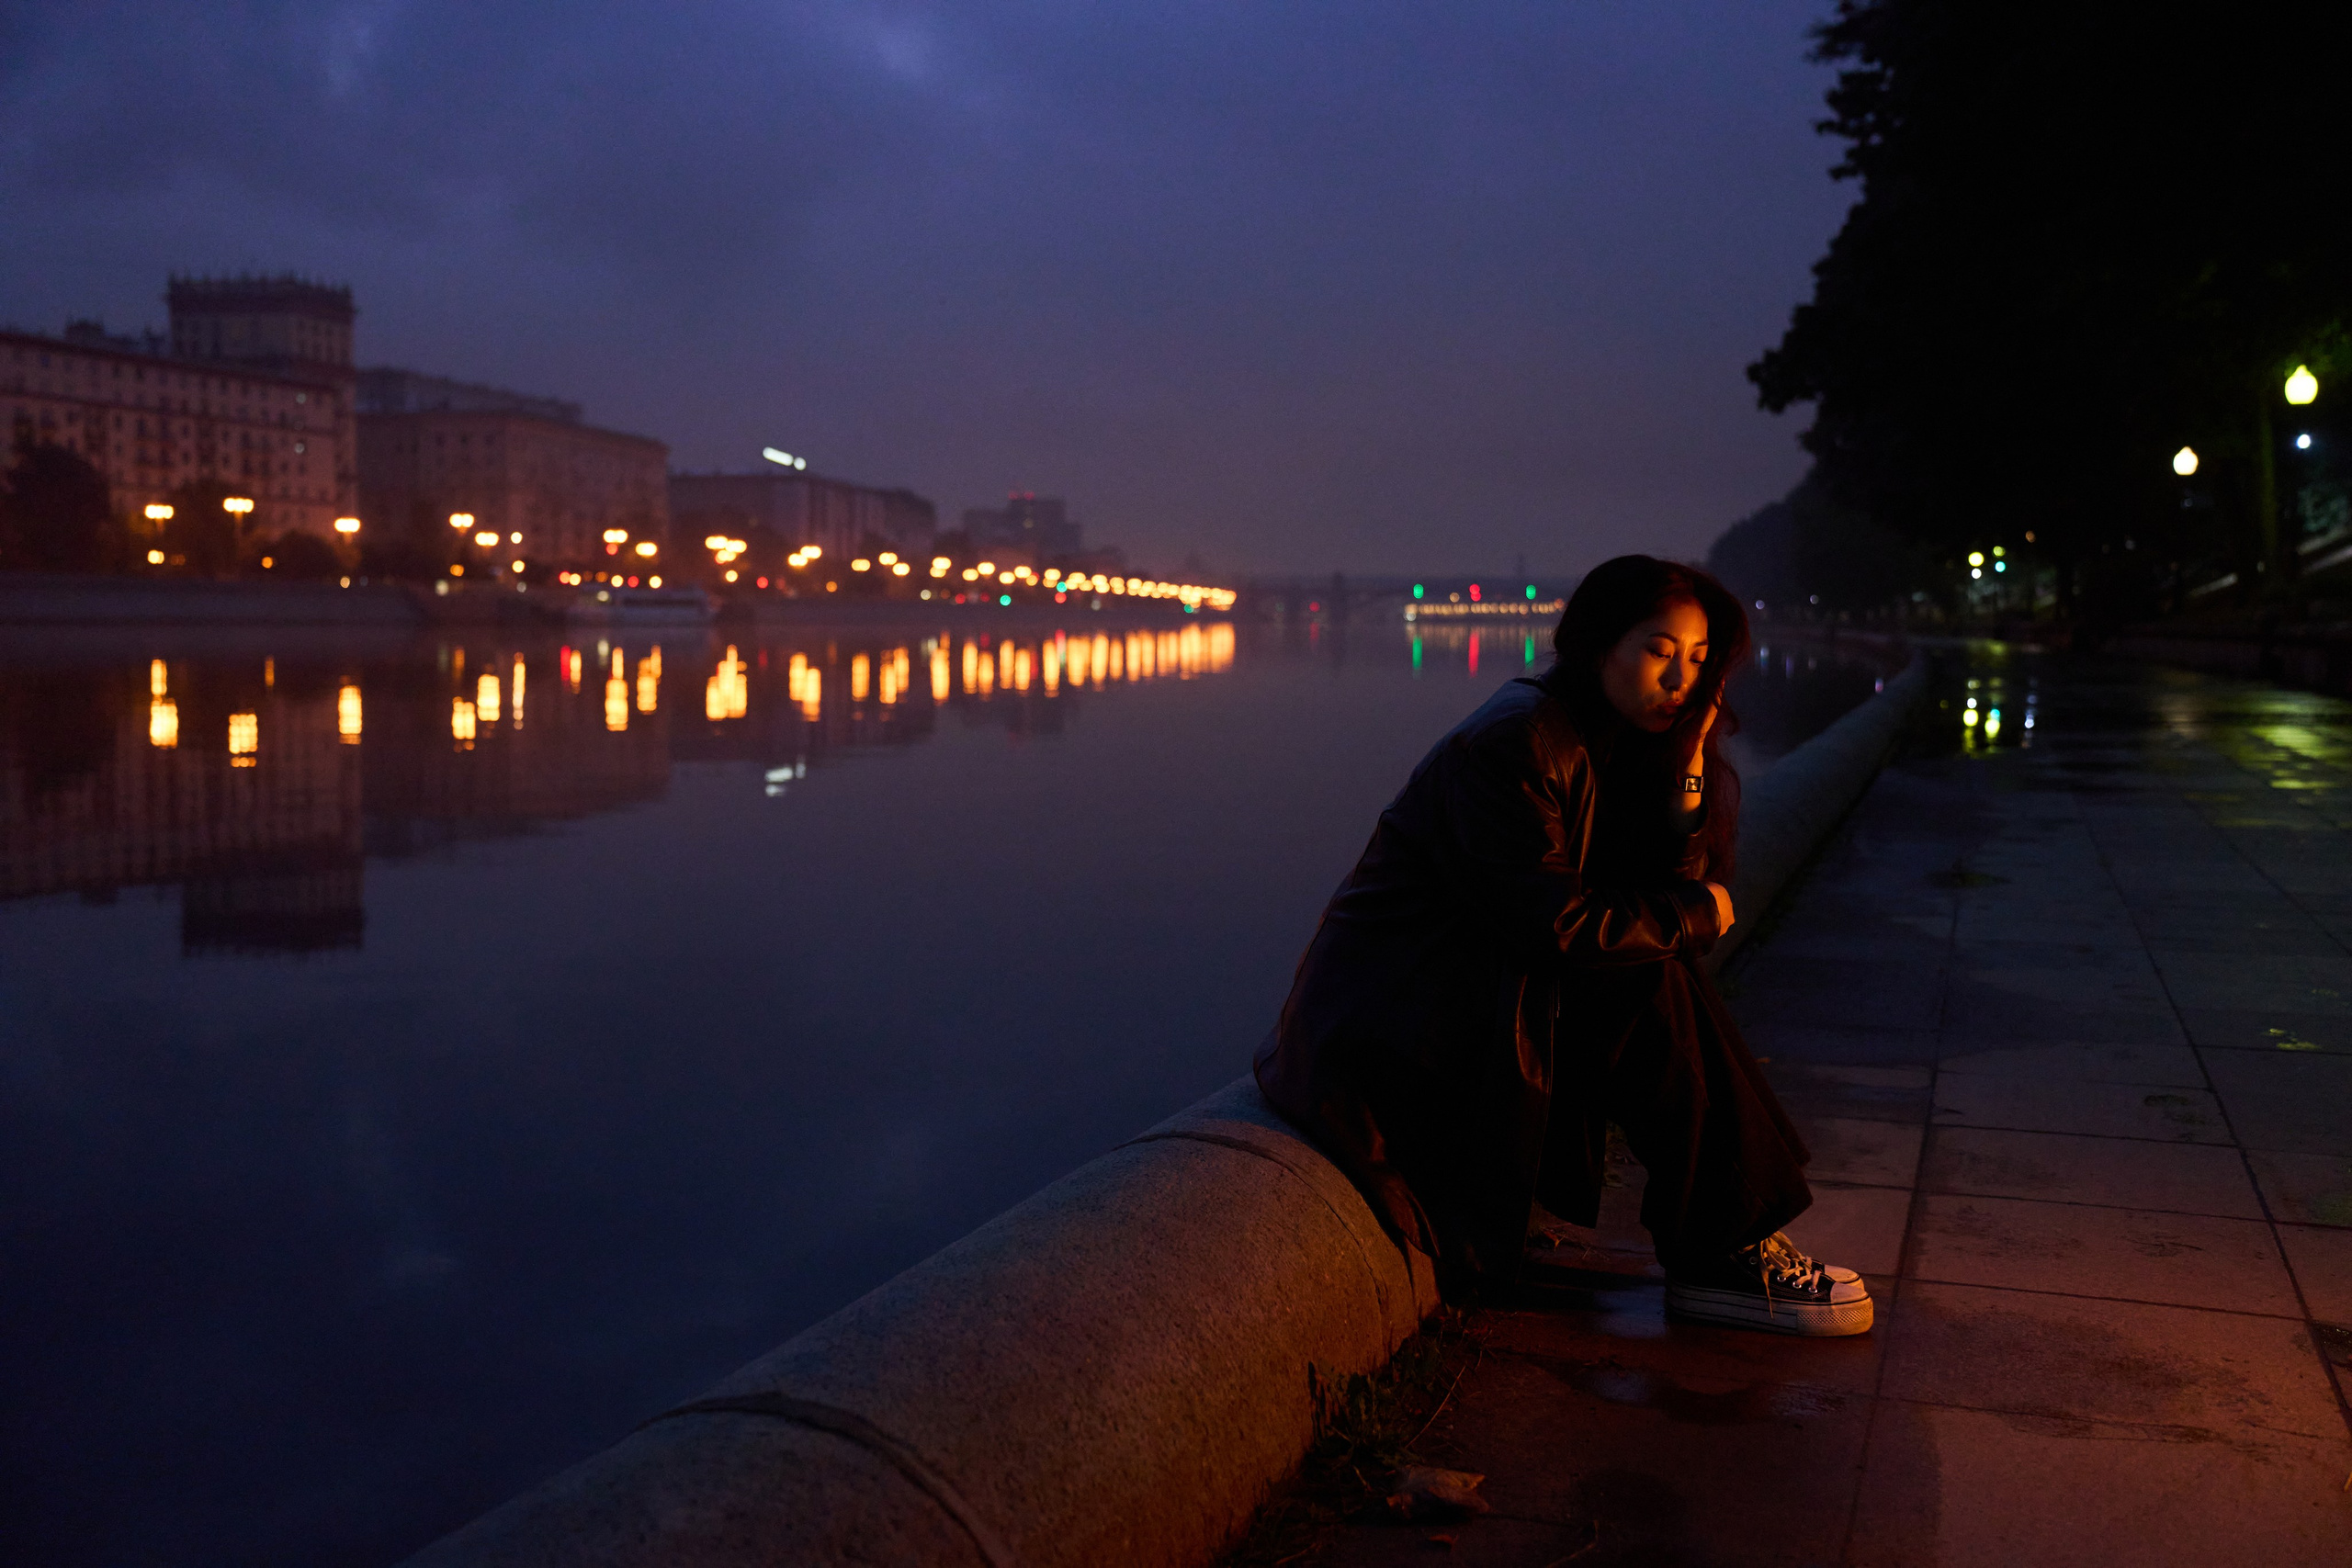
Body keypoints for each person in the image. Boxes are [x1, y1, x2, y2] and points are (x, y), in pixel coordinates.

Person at [1254, 555, 1871, 1336]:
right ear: (1597, 643)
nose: (1681, 679)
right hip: (1385, 1036)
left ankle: (1728, 1240)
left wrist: (1685, 772)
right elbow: (1556, 923)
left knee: (1651, 968)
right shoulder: (1516, 744)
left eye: (1697, 658)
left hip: (1463, 1003)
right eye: (1659, 649)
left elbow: (1652, 892)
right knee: (1646, 978)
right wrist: (1692, 914)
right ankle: (1724, 1249)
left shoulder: (1602, 737)